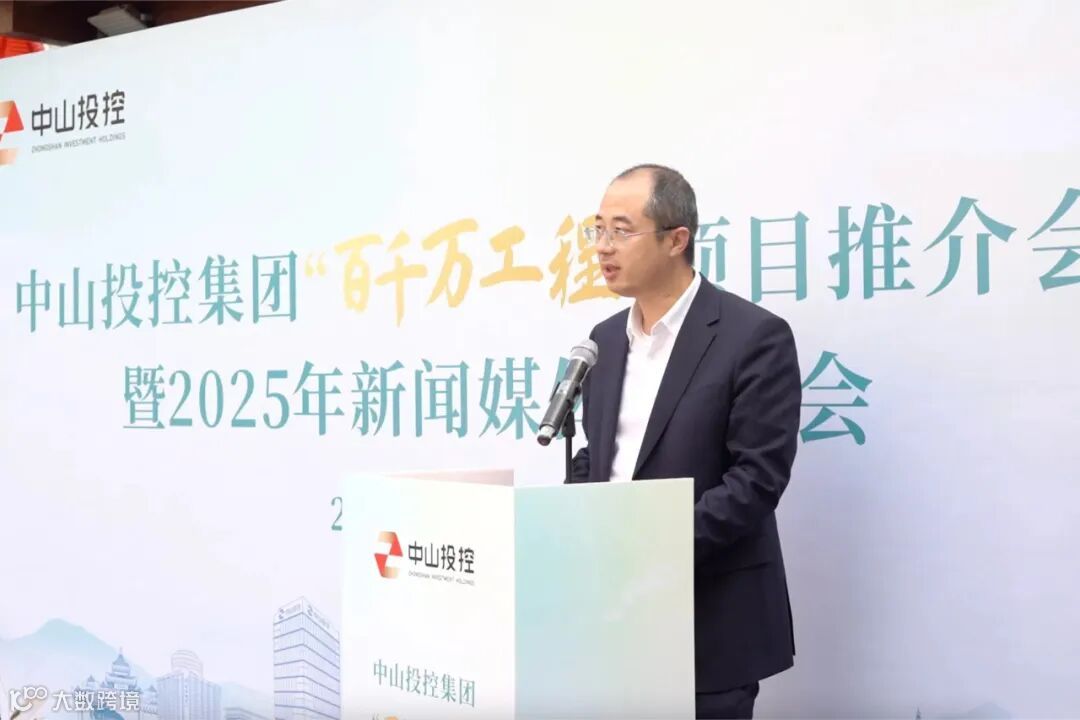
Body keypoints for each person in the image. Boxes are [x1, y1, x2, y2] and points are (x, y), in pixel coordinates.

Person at [566, 164, 802, 719]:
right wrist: (573, 522)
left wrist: (650, 549)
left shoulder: (753, 337)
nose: (602, 246)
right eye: (597, 229)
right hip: (613, 617)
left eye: (621, 230)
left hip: (707, 620)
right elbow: (598, 455)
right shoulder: (603, 341)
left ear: (677, 240)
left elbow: (756, 480)